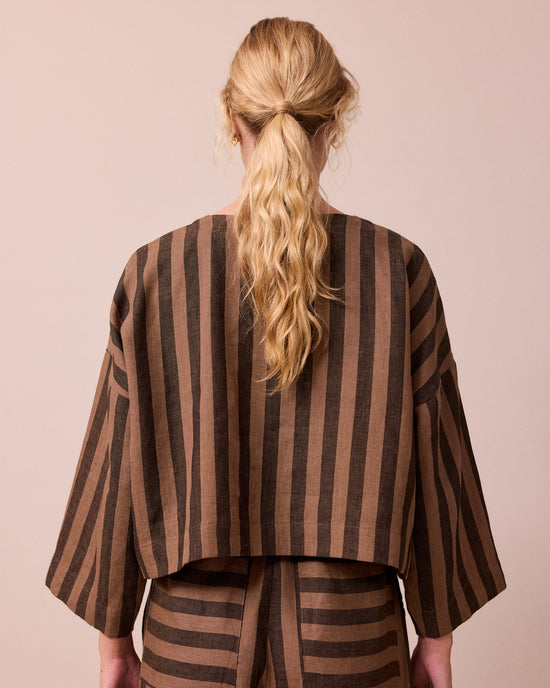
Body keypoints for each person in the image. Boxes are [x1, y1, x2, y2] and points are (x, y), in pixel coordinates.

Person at [45, 16, 506, 688]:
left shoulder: (154, 274)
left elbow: (117, 469)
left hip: (192, 645)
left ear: (232, 119)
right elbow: (439, 468)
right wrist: (436, 640)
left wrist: (113, 646)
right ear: (335, 122)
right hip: (350, 643)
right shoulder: (396, 269)